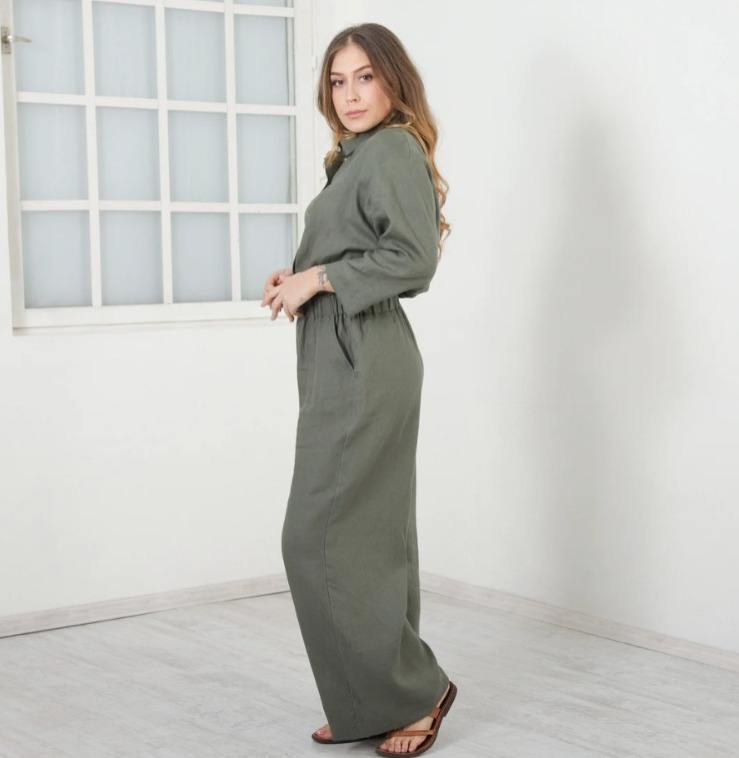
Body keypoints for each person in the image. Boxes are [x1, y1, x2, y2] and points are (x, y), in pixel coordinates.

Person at [261, 23, 457, 757]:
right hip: (339, 349)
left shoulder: (393, 148)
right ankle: (371, 700)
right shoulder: (355, 157)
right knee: (364, 533)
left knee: (319, 536)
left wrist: (321, 277)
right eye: (338, 81)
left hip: (365, 352)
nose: (349, 94)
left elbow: (413, 259)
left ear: (393, 80)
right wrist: (301, 276)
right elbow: (358, 249)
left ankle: (414, 691)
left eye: (365, 77)